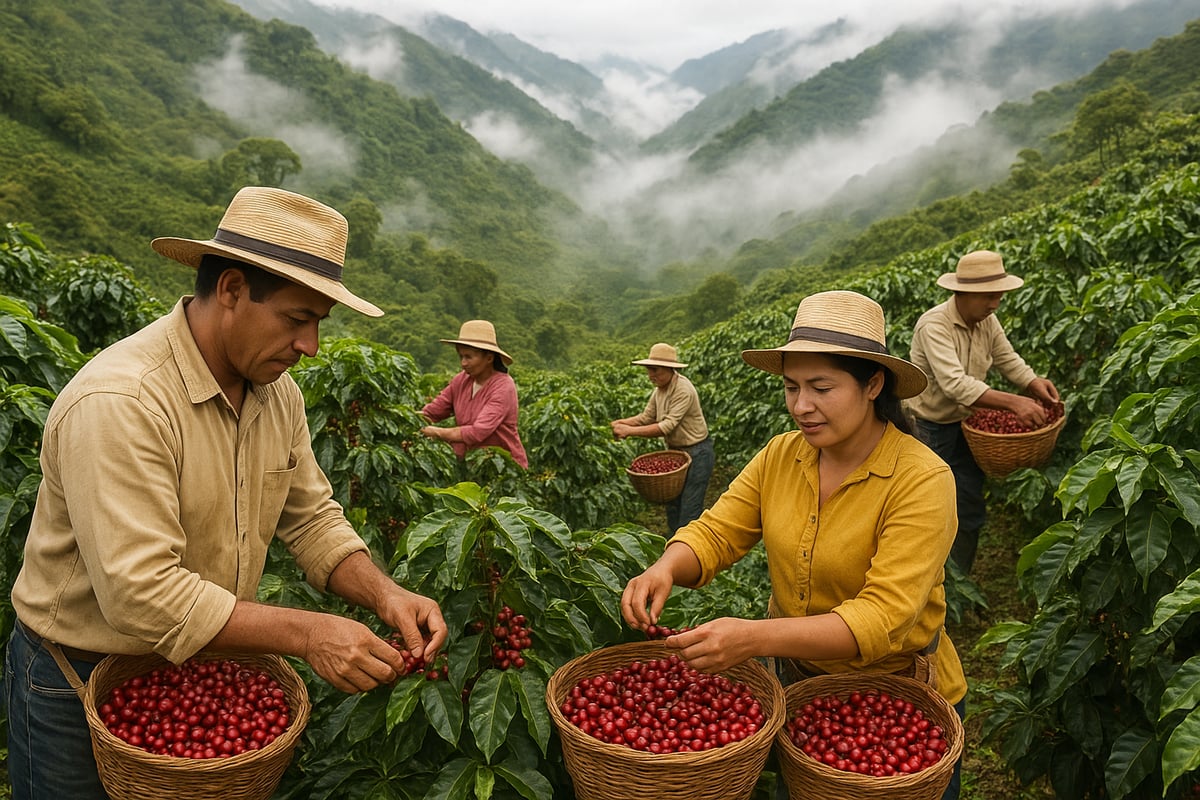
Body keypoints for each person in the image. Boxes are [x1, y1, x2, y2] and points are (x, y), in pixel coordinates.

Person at [4, 186, 448, 800]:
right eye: (297, 320)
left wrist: (386, 593)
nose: (311, 346)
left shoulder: (276, 394)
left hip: (201, 663)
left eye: (318, 323)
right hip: (75, 677)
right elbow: (145, 597)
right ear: (232, 290)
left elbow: (311, 518)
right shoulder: (122, 402)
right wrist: (311, 633)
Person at [620, 291, 967, 799]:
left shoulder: (921, 480)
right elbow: (718, 531)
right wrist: (667, 566)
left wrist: (754, 638)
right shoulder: (783, 455)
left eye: (821, 387)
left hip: (898, 696)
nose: (801, 406)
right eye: (791, 387)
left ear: (873, 384)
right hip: (800, 694)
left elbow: (881, 617)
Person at [907, 250, 1060, 574]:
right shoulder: (934, 325)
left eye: (999, 297)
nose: (995, 304)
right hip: (928, 427)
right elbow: (954, 385)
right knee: (930, 506)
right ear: (964, 293)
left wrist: (1032, 382)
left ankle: (959, 577)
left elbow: (1007, 358)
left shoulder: (987, 321)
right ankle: (927, 578)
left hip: (964, 423)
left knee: (969, 497)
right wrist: (1014, 402)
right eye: (989, 297)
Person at [611, 343, 714, 533]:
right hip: (676, 452)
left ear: (670, 369)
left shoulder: (683, 390)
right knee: (673, 506)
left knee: (689, 511)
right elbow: (646, 417)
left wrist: (628, 431)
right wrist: (621, 422)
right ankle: (673, 549)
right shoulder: (659, 390)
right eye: (649, 370)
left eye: (654, 369)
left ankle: (691, 556)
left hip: (698, 452)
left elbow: (667, 426)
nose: (650, 375)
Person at [419, 319, 528, 469]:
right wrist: (405, 418)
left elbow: (478, 432)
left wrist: (437, 432)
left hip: (503, 470)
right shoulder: (461, 380)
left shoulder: (503, 387)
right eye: (461, 357)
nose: (463, 363)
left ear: (489, 358)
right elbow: (432, 412)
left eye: (469, 357)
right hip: (469, 465)